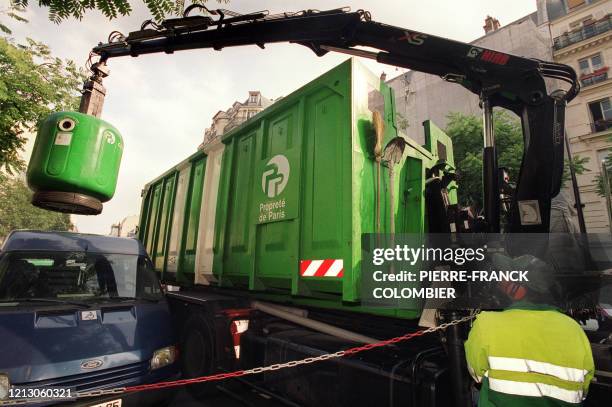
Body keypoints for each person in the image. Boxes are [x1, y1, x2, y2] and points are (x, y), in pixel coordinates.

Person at [464, 254, 594, 406]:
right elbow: (584, 388)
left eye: (507, 277)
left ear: (517, 290)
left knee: (474, 390)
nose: (500, 281)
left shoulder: (487, 323)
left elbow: (476, 374)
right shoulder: (574, 329)